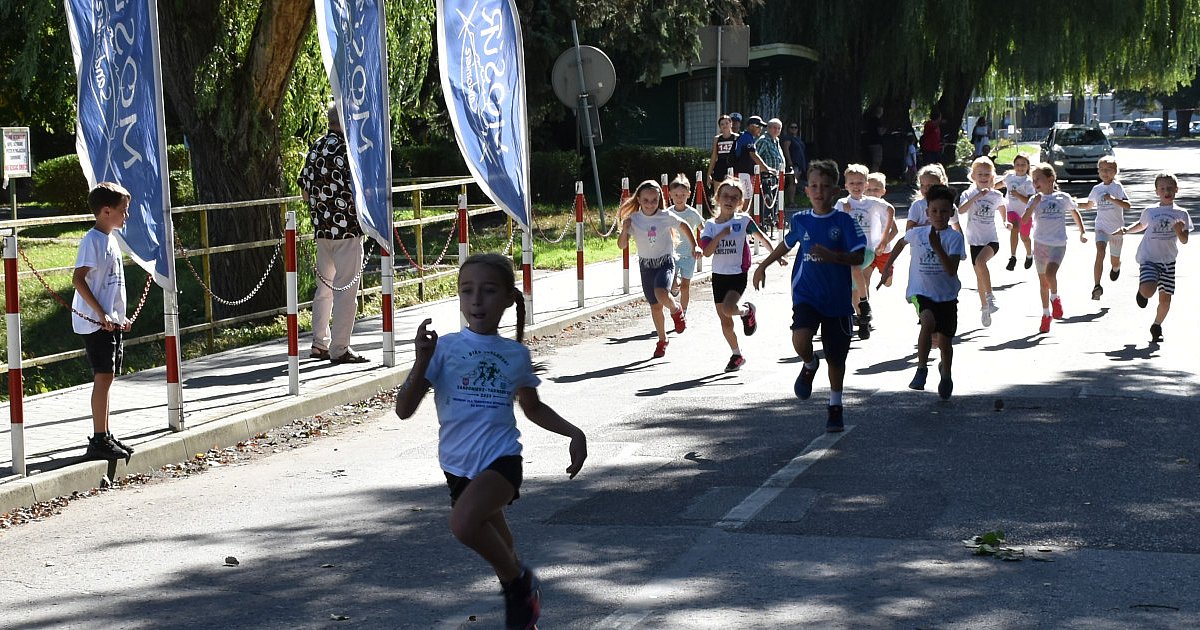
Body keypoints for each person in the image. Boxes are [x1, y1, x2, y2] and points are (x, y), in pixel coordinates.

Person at [394, 253, 587, 630]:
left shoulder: (515, 355)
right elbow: (403, 409)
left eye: (488, 291)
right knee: (505, 549)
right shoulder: (445, 348)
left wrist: (574, 432)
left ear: (507, 299)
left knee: (464, 525)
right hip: (457, 468)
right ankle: (523, 603)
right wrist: (420, 361)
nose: (476, 300)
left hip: (501, 463)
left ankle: (521, 587)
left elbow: (533, 409)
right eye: (467, 291)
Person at [753, 160, 866, 432]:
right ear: (806, 190)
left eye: (825, 187)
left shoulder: (844, 221)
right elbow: (788, 242)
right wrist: (763, 264)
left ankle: (835, 406)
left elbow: (860, 255)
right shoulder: (801, 219)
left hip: (838, 300)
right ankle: (809, 363)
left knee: (837, 358)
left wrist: (834, 257)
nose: (819, 191)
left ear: (835, 191)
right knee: (800, 338)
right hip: (806, 294)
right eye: (814, 186)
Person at [877, 184, 966, 400]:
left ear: (951, 213)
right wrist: (887, 268)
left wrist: (937, 247)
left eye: (944, 211)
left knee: (945, 343)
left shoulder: (954, 238)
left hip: (946, 296)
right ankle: (921, 369)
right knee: (927, 321)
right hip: (921, 292)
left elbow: (951, 270)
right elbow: (900, 242)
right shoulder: (917, 233)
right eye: (934, 211)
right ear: (927, 212)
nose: (939, 215)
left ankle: (946, 373)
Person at [297, 103, 369, 364]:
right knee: (346, 291)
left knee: (324, 289)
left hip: (322, 230)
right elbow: (360, 188)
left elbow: (305, 191)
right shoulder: (348, 149)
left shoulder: (316, 147)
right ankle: (340, 348)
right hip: (347, 230)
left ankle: (319, 343)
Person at [72, 182, 135, 462]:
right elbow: (78, 279)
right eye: (123, 210)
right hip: (96, 323)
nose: (127, 215)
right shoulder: (92, 241)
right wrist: (100, 314)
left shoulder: (110, 239)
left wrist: (121, 316)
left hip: (110, 322)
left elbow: (113, 286)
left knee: (108, 376)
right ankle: (98, 439)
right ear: (106, 211)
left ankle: (105, 434)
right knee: (103, 375)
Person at [700, 177, 783, 371]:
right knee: (725, 321)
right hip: (718, 275)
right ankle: (736, 354)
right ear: (718, 199)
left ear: (740, 202)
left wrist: (776, 256)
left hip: (738, 273)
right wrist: (720, 235)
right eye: (726, 196)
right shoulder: (711, 225)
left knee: (729, 309)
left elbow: (760, 237)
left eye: (735, 198)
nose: (729, 200)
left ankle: (746, 311)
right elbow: (706, 252)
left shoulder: (744, 220)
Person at [617, 179, 701, 358]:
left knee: (661, 293)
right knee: (655, 307)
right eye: (646, 200)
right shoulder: (634, 220)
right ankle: (662, 340)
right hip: (646, 266)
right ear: (638, 199)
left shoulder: (665, 216)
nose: (650, 204)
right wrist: (624, 230)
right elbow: (622, 245)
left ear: (659, 199)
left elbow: (684, 225)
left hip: (665, 262)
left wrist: (695, 246)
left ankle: (676, 310)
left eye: (654, 200)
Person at [1118, 172, 1192, 342]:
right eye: (1163, 188)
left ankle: (1157, 325)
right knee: (1149, 291)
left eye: (1170, 188)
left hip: (1168, 262)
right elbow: (1141, 225)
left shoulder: (1182, 214)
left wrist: (1179, 231)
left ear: (1176, 190)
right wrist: (1126, 230)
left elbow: (1184, 240)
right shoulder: (1150, 211)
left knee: (1165, 300)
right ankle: (1142, 292)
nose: (1167, 191)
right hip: (1149, 258)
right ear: (1157, 191)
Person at [1022, 163, 1087, 334]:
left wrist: (1082, 232)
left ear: (1050, 179)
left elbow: (1075, 212)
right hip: (1040, 244)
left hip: (1058, 244)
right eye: (1033, 180)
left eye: (1038, 179)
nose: (1035, 182)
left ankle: (1055, 298)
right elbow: (1024, 220)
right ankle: (1045, 315)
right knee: (1043, 283)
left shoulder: (1062, 198)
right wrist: (1034, 205)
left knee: (1051, 275)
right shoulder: (1034, 199)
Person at [836, 164, 893, 339]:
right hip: (847, 250)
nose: (856, 186)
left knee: (855, 268)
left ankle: (863, 304)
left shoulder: (872, 203)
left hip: (866, 249)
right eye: (852, 183)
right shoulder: (842, 203)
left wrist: (883, 240)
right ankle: (862, 317)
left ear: (866, 185)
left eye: (860, 183)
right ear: (845, 186)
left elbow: (890, 210)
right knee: (853, 289)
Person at [956, 156, 1009, 327]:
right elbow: (961, 211)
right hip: (974, 241)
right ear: (973, 176)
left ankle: (991, 297)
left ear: (992, 176)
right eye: (980, 174)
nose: (984, 177)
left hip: (991, 240)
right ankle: (985, 307)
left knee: (980, 262)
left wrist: (1005, 221)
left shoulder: (996, 195)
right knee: (979, 276)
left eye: (987, 174)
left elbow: (1002, 206)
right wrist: (976, 197)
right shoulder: (968, 193)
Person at [1079, 156, 1131, 300]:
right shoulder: (1097, 189)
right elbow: (1089, 205)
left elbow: (1128, 205)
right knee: (1100, 252)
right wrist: (1073, 204)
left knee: (1114, 260)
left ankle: (1116, 267)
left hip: (1116, 230)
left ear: (1115, 172)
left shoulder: (1117, 187)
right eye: (1101, 170)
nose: (1104, 173)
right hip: (1101, 227)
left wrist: (1112, 199)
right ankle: (1097, 285)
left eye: (1108, 170)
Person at [667, 174, 705, 313]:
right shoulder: (667, 213)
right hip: (671, 254)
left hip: (689, 255)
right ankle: (673, 287)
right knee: (671, 282)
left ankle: (683, 311)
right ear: (670, 194)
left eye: (683, 195)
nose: (679, 198)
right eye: (676, 195)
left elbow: (703, 229)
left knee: (685, 286)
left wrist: (702, 245)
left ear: (689, 194)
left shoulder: (692, 213)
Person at [995, 153, 1035, 271]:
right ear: (1014, 166)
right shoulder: (1009, 177)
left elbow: (1030, 200)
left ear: (1028, 166)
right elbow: (998, 185)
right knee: (1014, 228)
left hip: (1025, 213)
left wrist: (1018, 195)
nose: (1020, 167)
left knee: (1024, 237)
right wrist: (987, 188)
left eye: (1023, 164)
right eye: (1017, 164)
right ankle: (1013, 257)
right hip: (1011, 209)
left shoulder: (1028, 181)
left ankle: (1029, 254)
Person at [864, 171, 899, 290]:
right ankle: (864, 305)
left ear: (883, 191)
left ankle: (889, 268)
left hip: (884, 251)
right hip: (867, 250)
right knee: (864, 279)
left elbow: (894, 230)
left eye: (876, 189)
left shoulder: (886, 207)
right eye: (869, 189)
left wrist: (883, 245)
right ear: (864, 189)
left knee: (887, 282)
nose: (872, 193)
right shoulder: (860, 207)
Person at [734, 115, 773, 213]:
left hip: (746, 173)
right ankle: (742, 225)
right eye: (759, 127)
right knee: (746, 201)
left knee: (748, 200)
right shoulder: (747, 137)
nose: (761, 129)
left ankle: (745, 224)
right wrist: (766, 168)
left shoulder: (747, 137)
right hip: (743, 173)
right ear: (752, 126)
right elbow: (753, 155)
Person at [756, 118, 787, 229]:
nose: (776, 130)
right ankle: (763, 225)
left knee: (774, 204)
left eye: (779, 128)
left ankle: (773, 222)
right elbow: (755, 157)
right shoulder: (763, 140)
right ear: (768, 128)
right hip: (765, 179)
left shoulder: (776, 141)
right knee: (766, 203)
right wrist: (766, 169)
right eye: (774, 127)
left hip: (777, 179)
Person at [782, 122, 808, 208]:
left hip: (799, 164)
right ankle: (791, 202)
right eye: (791, 127)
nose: (793, 129)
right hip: (793, 163)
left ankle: (791, 200)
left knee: (794, 183)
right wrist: (789, 161)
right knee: (792, 182)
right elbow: (786, 149)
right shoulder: (787, 138)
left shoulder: (797, 138)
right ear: (788, 129)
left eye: (795, 127)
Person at [707, 114, 738, 186]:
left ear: (731, 124)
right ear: (720, 127)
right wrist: (709, 174)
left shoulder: (736, 137)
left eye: (727, 123)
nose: (725, 125)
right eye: (722, 124)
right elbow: (714, 156)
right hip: (720, 167)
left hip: (733, 166)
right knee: (718, 192)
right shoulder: (717, 139)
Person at [861, 105, 885, 172]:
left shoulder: (869, 121)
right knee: (876, 162)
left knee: (870, 161)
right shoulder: (878, 121)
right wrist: (885, 130)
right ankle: (874, 177)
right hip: (876, 143)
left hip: (869, 143)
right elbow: (880, 132)